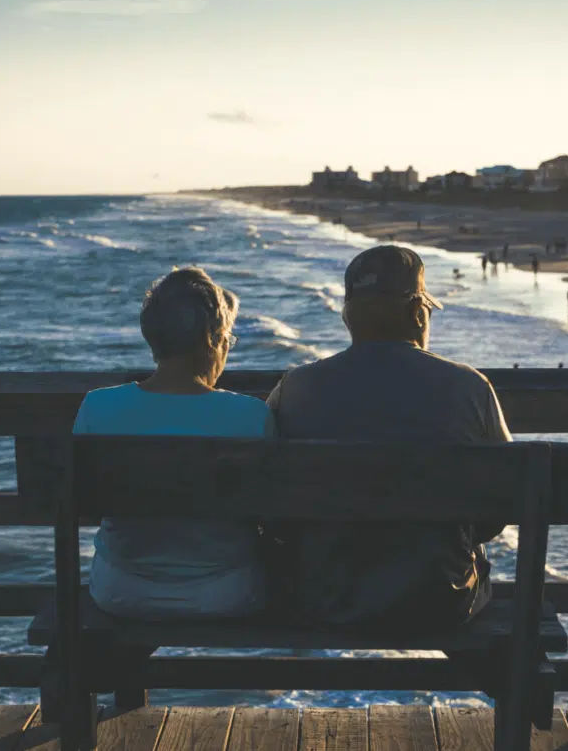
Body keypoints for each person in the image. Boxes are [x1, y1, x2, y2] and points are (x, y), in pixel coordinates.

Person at [266, 246, 511, 628]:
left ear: (348, 318)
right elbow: (502, 502)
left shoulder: (294, 388)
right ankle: (506, 684)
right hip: (439, 598)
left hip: (323, 597)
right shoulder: (469, 387)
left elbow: (270, 502)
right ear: (417, 313)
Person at [73, 267, 272, 619]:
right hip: (225, 594)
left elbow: (85, 505)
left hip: (120, 592)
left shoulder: (97, 406)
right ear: (212, 339)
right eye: (228, 339)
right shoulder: (250, 415)